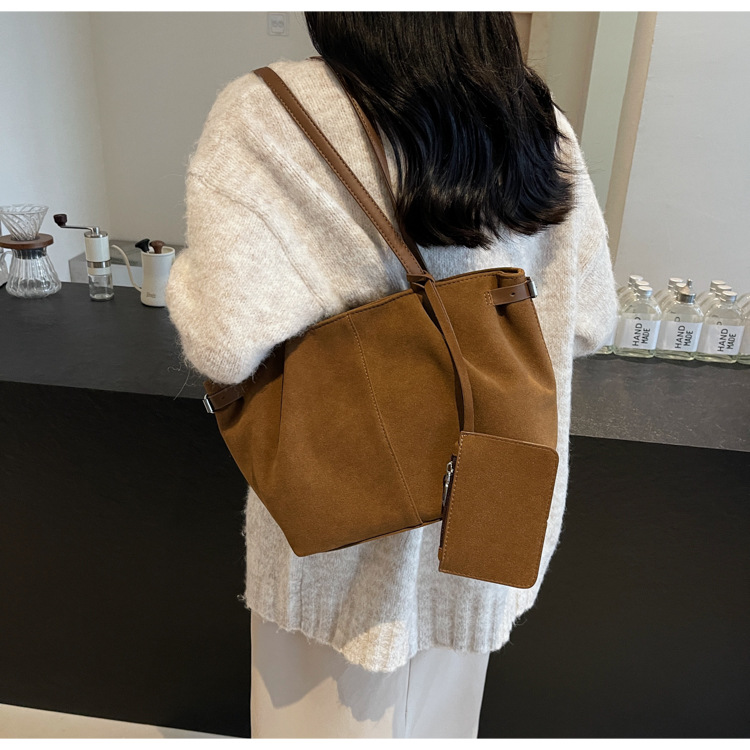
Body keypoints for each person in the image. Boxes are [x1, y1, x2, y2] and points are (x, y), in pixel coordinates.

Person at [165, 11, 618, 739]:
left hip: (339, 539)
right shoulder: (538, 120)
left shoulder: (268, 110)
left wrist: (188, 280)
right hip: (489, 514)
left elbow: (224, 343)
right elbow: (591, 318)